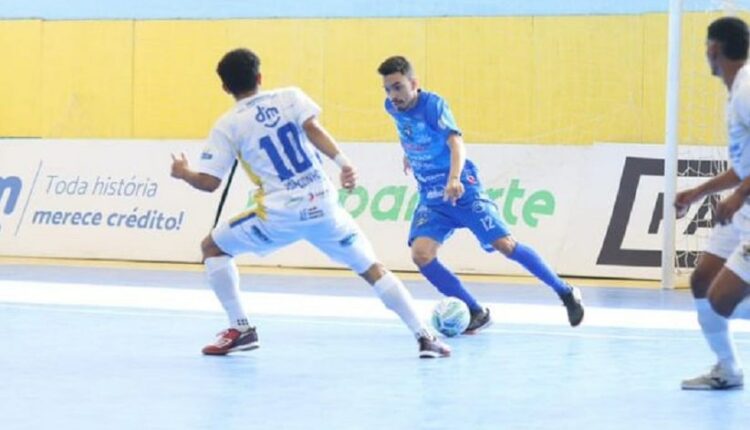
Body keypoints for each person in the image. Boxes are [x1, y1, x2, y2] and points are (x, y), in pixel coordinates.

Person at [171, 48, 450, 359]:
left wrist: (183, 173)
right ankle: (425, 336)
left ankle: (241, 328)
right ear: (260, 77)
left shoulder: (228, 125)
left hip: (278, 216)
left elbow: (209, 183)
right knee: (373, 269)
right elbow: (313, 129)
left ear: (225, 87)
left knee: (212, 247)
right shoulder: (290, 96)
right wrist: (343, 163)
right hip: (326, 207)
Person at [376, 56, 584, 334]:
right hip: (431, 197)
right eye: (388, 89)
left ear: (414, 83)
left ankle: (565, 291)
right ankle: (475, 311)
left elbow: (455, 141)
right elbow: (411, 131)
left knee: (505, 245)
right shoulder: (392, 107)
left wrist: (454, 178)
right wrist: (410, 151)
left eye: (398, 87)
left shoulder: (434, 105)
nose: (393, 95)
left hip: (462, 189)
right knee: (421, 254)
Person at [675, 16, 750, 390]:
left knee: (723, 300)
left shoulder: (748, 88)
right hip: (744, 212)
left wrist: (738, 196)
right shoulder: (734, 90)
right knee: (703, 280)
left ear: (714, 48)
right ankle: (728, 368)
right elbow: (743, 167)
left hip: (748, 208)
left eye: (706, 46)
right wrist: (697, 193)